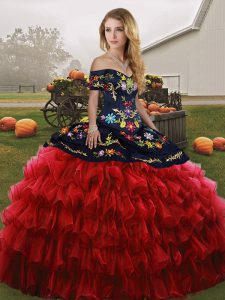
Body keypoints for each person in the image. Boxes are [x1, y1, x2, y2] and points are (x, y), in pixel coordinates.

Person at [0, 7, 225, 300]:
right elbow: (94, 99)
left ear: (128, 32)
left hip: (136, 130)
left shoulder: (133, 64)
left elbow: (138, 103)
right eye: (108, 30)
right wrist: (92, 126)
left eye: (118, 29)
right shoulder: (100, 62)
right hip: (106, 128)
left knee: (165, 191)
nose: (113, 35)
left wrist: (153, 127)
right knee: (103, 196)